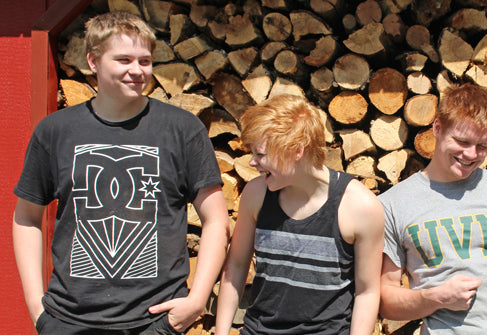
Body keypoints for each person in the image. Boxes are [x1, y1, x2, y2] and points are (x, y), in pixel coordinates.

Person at [12, 11, 229, 334]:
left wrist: (197, 299)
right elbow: (27, 218)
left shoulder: (183, 130)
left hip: (154, 321)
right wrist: (36, 308)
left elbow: (216, 219)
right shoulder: (56, 131)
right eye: (124, 59)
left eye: (144, 61)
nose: (137, 71)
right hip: (68, 321)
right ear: (93, 61)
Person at [377, 83, 487, 334]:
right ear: (437, 128)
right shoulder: (393, 204)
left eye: (482, 146)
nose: (471, 154)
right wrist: (437, 298)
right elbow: (386, 301)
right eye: (462, 141)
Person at [214, 95, 384, 335]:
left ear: (296, 151)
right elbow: (237, 265)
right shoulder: (256, 194)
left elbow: (367, 291)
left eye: (261, 154)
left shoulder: (360, 207)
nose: (252, 163)